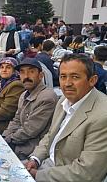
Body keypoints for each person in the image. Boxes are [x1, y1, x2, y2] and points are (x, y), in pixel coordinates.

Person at [25, 53, 107, 182]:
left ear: (92, 80)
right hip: (44, 165)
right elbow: (51, 135)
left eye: (75, 77)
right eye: (63, 77)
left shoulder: (102, 115)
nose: (67, 83)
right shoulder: (64, 100)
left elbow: (88, 172)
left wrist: (37, 175)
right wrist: (35, 158)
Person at [2, 58, 58, 160]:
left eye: (31, 72)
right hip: (18, 141)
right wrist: (5, 136)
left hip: (31, 149)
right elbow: (16, 120)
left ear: (41, 75)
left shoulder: (47, 97)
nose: (26, 76)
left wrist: (9, 140)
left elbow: (30, 130)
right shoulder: (24, 94)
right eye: (22, 72)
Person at [0, 57, 24, 133]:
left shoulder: (16, 85)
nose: (4, 70)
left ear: (14, 70)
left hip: (3, 123)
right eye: (2, 67)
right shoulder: (2, 83)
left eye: (8, 67)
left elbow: (6, 112)